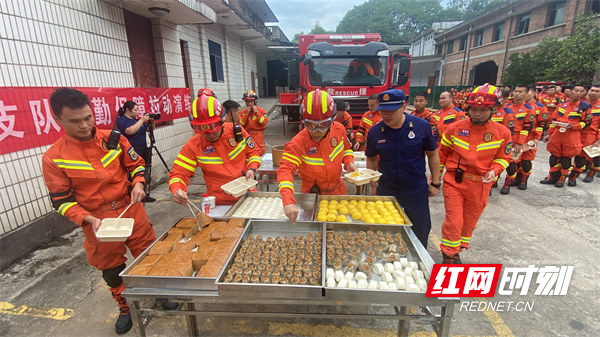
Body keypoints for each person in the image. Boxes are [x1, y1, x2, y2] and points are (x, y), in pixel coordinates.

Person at [41, 88, 156, 334]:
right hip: (97, 220)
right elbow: (61, 200)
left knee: (150, 256)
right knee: (112, 269)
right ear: (57, 119)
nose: (84, 125)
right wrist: (86, 218)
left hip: (129, 208)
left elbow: (136, 165)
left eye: (88, 117)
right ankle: (125, 307)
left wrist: (138, 183)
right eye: (75, 121)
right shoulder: (55, 158)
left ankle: (158, 293)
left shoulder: (113, 139)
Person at [438, 84, 512, 264]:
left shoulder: (502, 133)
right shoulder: (454, 129)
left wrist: (494, 170)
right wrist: (436, 178)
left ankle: (458, 248)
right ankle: (449, 255)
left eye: (483, 110)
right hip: (454, 182)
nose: (477, 113)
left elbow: (504, 158)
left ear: (493, 109)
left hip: (480, 185)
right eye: (474, 109)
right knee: (454, 220)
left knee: (469, 222)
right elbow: (442, 154)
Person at [365, 89, 441, 248]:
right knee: (386, 229)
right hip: (388, 188)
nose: (386, 115)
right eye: (383, 110)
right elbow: (371, 159)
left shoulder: (421, 126)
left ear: (403, 107)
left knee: (421, 228)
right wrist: (374, 185)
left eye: (391, 111)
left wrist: (435, 182)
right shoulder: (375, 132)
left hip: (416, 189)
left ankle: (418, 260)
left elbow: (433, 155)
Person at [277, 89, 357, 223]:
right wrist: (288, 201)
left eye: (322, 125)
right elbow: (285, 170)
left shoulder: (339, 130)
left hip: (338, 192)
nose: (316, 131)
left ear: (332, 120)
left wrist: (349, 162)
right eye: (310, 125)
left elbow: (346, 149)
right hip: (312, 195)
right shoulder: (298, 143)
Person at [169, 95, 261, 205]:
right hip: (219, 201)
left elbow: (253, 152)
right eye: (203, 129)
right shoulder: (194, 145)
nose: (209, 134)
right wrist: (177, 189)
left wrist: (252, 168)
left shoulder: (236, 132)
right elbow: (179, 173)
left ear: (222, 121)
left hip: (247, 194)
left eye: (212, 128)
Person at [540, 85, 591, 187]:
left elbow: (587, 122)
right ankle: (552, 176)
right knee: (554, 156)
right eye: (576, 91)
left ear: (583, 94)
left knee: (566, 158)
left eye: (580, 92)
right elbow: (553, 120)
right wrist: (549, 134)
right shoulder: (562, 104)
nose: (578, 93)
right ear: (570, 92)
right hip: (558, 134)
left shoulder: (584, 107)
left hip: (572, 134)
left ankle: (562, 178)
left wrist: (574, 126)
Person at [116, 101, 156, 202]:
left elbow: (149, 130)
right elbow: (130, 131)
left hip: (143, 149)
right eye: (135, 110)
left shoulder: (137, 120)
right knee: (132, 175)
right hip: (131, 152)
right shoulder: (122, 121)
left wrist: (152, 122)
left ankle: (144, 194)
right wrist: (142, 120)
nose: (137, 112)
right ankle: (132, 196)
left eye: (138, 110)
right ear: (127, 110)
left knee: (144, 173)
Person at [499, 85, 535, 194]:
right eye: (516, 91)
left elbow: (527, 128)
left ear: (526, 94)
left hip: (518, 138)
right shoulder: (507, 107)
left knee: (513, 162)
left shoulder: (529, 109)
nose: (517, 94)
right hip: (504, 137)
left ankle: (509, 183)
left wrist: (519, 143)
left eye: (520, 92)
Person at [569, 84, 600, 183]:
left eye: (597, 91)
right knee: (577, 153)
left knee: (594, 155)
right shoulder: (582, 104)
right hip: (579, 132)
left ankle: (591, 173)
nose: (593, 93)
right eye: (592, 90)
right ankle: (576, 171)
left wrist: (599, 139)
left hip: (593, 133)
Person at [239, 90, 268, 156]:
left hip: (258, 136)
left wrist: (256, 112)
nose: (249, 103)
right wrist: (247, 114)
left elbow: (263, 122)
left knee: (259, 152)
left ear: (255, 101)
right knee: (248, 152)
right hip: (247, 135)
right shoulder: (243, 112)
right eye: (248, 101)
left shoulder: (261, 111)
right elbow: (241, 123)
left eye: (251, 101)